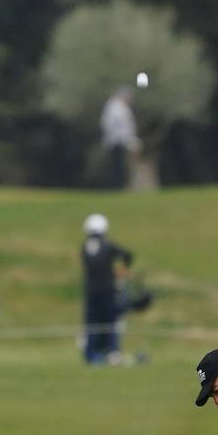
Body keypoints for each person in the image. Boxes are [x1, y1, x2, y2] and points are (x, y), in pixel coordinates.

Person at [81, 213, 135, 364]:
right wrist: (123, 271)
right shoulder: (108, 246)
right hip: (108, 292)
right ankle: (112, 352)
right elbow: (128, 255)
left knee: (92, 324)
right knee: (110, 322)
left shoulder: (85, 248)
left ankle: (91, 355)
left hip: (91, 293)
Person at [99, 86, 139, 190]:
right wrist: (128, 140)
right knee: (117, 166)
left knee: (120, 166)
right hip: (117, 142)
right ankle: (116, 187)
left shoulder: (120, 107)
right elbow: (118, 127)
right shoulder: (115, 108)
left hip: (120, 141)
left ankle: (119, 186)